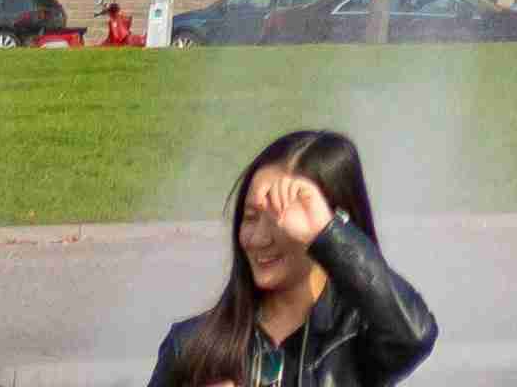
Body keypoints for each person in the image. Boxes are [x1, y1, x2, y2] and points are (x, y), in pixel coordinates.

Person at [151, 127, 436, 387]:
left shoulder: (356, 340)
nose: (258, 238)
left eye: (279, 221)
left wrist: (328, 233)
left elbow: (415, 335)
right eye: (250, 218)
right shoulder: (189, 347)